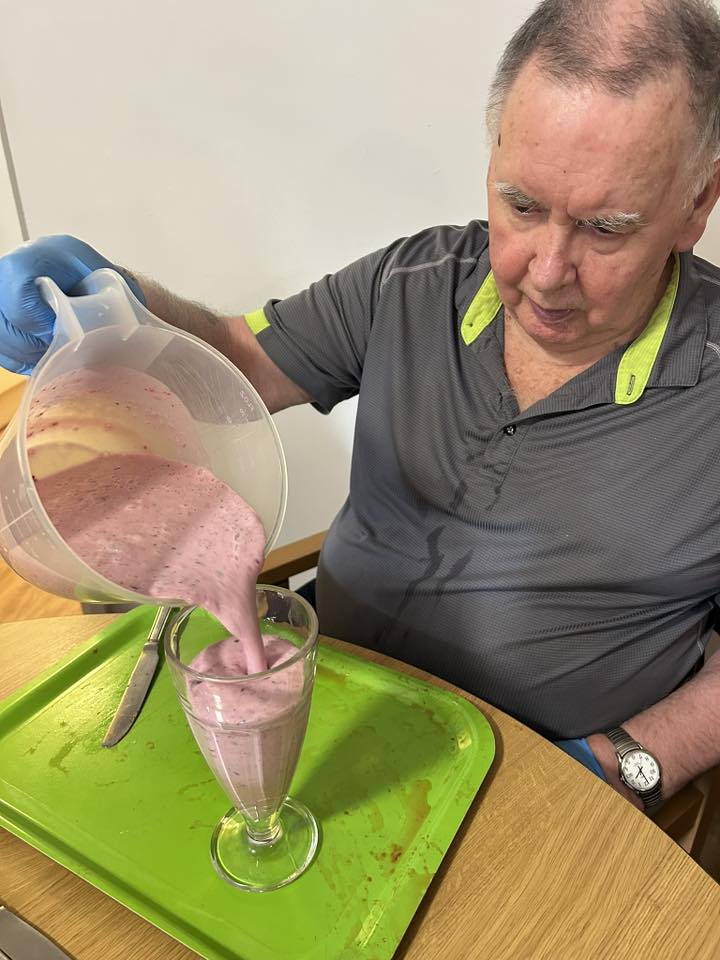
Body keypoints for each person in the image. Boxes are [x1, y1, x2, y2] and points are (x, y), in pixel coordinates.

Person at [1, 0, 720, 814]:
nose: (547, 271)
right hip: (321, 695)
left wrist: (630, 759)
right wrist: (120, 309)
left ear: (698, 205)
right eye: (520, 205)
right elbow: (238, 362)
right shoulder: (413, 279)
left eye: (605, 228)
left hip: (533, 782)